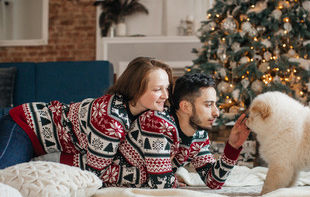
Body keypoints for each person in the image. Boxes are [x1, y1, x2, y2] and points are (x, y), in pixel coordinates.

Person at [0, 57, 174, 186]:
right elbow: (96, 174)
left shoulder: (146, 111)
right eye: (157, 89)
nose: (165, 95)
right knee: (4, 179)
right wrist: (147, 175)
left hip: (50, 145)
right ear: (136, 89)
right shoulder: (112, 121)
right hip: (25, 127)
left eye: (166, 88)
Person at [103, 73, 250, 189]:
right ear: (186, 107)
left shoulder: (199, 134)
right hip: (107, 182)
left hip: (137, 185)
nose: (216, 112)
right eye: (208, 105)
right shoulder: (156, 122)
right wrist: (167, 178)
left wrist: (233, 147)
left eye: (215, 104)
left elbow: (214, 181)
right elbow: (162, 184)